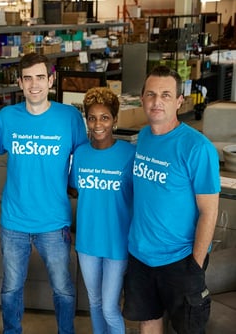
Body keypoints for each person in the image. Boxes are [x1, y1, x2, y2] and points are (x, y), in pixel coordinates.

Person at [0, 52, 88, 334]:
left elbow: (81, 157)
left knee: (63, 288)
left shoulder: (69, 117)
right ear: (19, 82)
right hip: (14, 221)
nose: (34, 85)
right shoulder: (6, 118)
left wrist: (71, 186)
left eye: (40, 77)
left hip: (54, 221)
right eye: (28, 78)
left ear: (51, 79)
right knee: (10, 288)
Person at [123, 65, 221, 334]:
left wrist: (196, 265)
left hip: (180, 259)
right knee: (148, 321)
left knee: (187, 329)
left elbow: (209, 212)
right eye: (151, 94)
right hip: (141, 255)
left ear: (179, 101)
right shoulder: (143, 136)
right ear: (141, 99)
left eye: (166, 95)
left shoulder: (197, 148)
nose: (157, 102)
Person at [68, 87, 134, 334]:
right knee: (94, 303)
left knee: (109, 307)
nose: (98, 124)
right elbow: (75, 189)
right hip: (87, 243)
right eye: (92, 117)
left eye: (104, 117)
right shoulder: (81, 154)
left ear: (115, 120)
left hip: (117, 243)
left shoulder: (130, 155)